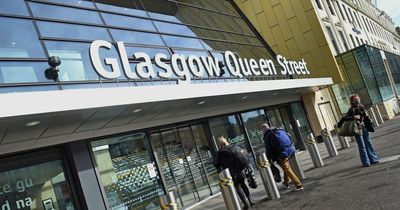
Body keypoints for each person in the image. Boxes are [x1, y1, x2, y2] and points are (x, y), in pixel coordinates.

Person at [213, 137, 254, 209]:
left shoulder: (221, 152)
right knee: (243, 184)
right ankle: (251, 200)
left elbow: (216, 164)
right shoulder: (235, 146)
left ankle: (246, 204)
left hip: (232, 172)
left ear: (220, 144)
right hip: (241, 170)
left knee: (238, 186)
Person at [339, 94, 379, 167]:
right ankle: (366, 162)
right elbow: (346, 118)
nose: (357, 101)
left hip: (364, 128)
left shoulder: (361, 107)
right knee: (362, 146)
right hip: (357, 129)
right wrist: (353, 117)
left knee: (368, 143)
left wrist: (368, 120)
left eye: (358, 99)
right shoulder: (351, 109)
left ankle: (373, 159)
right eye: (355, 100)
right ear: (352, 101)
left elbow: (365, 116)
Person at [261, 123, 303, 191]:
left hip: (280, 154)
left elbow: (268, 149)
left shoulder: (268, 135)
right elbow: (289, 137)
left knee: (287, 169)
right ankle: (286, 182)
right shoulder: (278, 130)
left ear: (263, 130)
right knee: (286, 167)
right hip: (288, 150)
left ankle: (298, 185)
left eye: (262, 130)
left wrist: (268, 160)